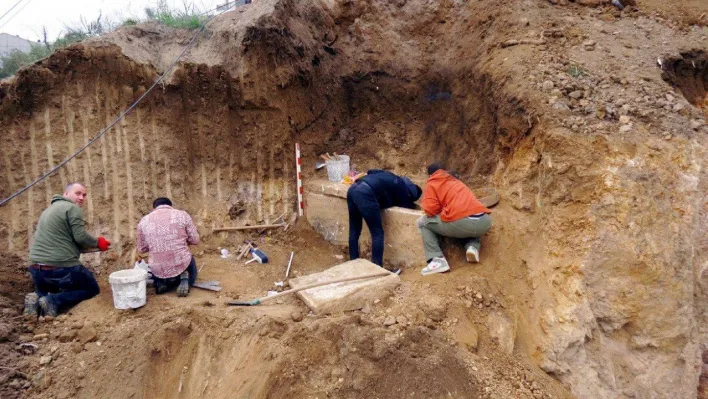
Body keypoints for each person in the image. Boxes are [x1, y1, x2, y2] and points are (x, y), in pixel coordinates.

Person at [25, 183, 110, 317]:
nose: (81, 197)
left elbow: (64, 239)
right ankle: (52, 300)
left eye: (84, 195)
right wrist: (98, 242)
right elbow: (80, 237)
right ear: (66, 194)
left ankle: (37, 298)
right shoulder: (72, 208)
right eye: (78, 193)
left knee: (52, 286)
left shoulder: (47, 211)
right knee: (91, 289)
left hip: (36, 269)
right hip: (60, 269)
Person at [418, 163, 492, 275]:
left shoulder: (433, 182)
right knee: (468, 224)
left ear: (430, 175)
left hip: (463, 222)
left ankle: (437, 260)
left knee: (423, 222)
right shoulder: (455, 180)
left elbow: (430, 210)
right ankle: (473, 246)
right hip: (484, 221)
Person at [347, 169, 422, 268]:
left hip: (353, 189)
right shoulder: (403, 190)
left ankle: (353, 264)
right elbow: (407, 206)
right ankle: (377, 268)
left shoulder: (390, 175)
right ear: (410, 194)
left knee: (354, 230)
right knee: (377, 232)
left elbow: (370, 171)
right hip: (366, 194)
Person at [136, 197, 200, 297]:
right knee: (190, 263)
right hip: (181, 263)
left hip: (157, 268)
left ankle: (160, 283)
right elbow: (195, 240)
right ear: (170, 206)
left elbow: (141, 249)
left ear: (154, 208)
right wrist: (183, 240)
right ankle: (186, 279)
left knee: (155, 268)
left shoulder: (144, 221)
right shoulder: (182, 215)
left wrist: (156, 244)